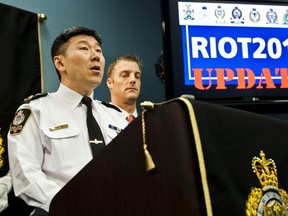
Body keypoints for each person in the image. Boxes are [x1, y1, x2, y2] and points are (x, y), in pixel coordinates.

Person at [7, 26, 126, 216]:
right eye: (84, 49)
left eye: (98, 50)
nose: (95, 56)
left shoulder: (117, 116)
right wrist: (71, 205)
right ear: (60, 63)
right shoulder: (36, 110)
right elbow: (25, 175)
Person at [106, 55, 142, 123]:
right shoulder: (99, 120)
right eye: (125, 75)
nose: (133, 80)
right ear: (110, 83)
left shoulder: (148, 126)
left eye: (137, 76)